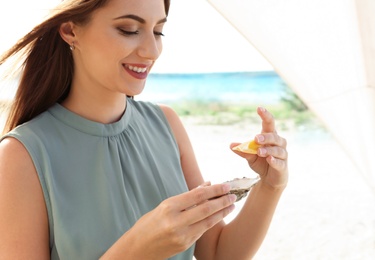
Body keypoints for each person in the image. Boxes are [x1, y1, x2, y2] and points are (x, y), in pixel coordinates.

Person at [0, 0, 288, 259]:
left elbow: (217, 253)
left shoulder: (166, 123)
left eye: (158, 31)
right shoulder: (22, 155)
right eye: (128, 29)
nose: (152, 50)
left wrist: (271, 185)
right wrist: (138, 249)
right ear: (70, 31)